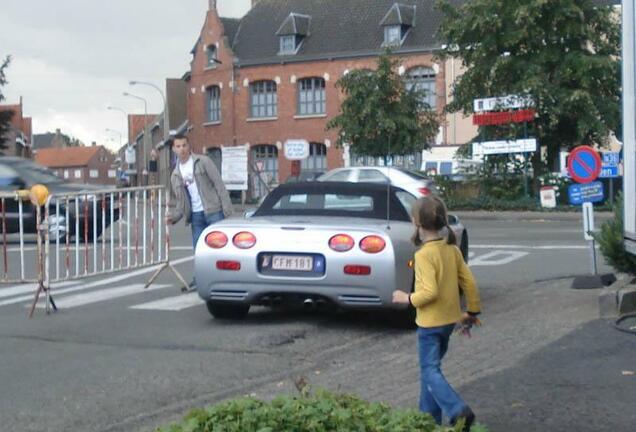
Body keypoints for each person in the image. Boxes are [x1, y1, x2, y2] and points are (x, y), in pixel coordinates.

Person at [392, 196, 481, 431]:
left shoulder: (423, 255)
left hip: (429, 324)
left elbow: (428, 292)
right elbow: (469, 282)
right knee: (430, 371)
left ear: (416, 221)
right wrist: (472, 310)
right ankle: (427, 422)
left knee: (430, 370)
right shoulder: (451, 249)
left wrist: (406, 298)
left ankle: (457, 410)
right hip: (448, 322)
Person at [166, 135, 234, 286]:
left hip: (214, 211)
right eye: (178, 146)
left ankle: (225, 278)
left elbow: (219, 185)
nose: (182, 149)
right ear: (173, 149)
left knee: (220, 247)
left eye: (184, 145)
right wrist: (174, 217)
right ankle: (200, 280)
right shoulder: (175, 175)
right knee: (199, 250)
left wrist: (228, 211)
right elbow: (181, 202)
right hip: (196, 216)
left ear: (189, 146)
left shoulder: (203, 162)